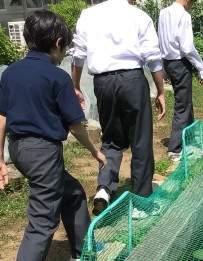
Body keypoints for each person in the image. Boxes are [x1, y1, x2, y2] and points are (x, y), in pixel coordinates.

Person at [0, 11, 106, 261]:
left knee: (71, 192)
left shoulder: (11, 72)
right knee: (42, 221)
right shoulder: (57, 78)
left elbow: (0, 120)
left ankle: (82, 252)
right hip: (43, 152)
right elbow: (75, 125)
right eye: (65, 47)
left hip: (19, 150)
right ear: (57, 43)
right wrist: (95, 151)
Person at [70, 0, 166, 218]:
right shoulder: (138, 16)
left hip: (103, 82)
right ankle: (141, 203)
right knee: (140, 140)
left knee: (111, 139)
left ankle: (104, 189)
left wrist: (75, 86)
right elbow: (153, 56)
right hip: (132, 80)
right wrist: (160, 90)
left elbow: (78, 55)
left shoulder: (88, 15)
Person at [158, 0, 203, 161]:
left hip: (168, 62)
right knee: (182, 104)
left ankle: (189, 138)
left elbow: (160, 40)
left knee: (186, 102)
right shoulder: (183, 15)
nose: (192, 5)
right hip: (180, 63)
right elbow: (187, 47)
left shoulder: (163, 13)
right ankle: (175, 149)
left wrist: (163, 67)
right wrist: (200, 68)